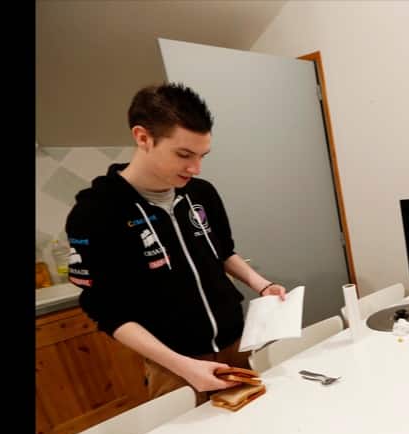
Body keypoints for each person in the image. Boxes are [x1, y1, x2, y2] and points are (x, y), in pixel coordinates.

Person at [65, 83, 287, 405]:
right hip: (174, 364)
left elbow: (222, 252)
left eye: (201, 156)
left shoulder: (201, 193)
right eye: (184, 155)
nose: (195, 168)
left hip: (236, 342)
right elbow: (106, 311)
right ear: (143, 137)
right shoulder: (96, 212)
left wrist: (262, 285)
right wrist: (183, 366)